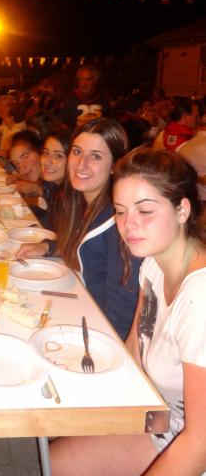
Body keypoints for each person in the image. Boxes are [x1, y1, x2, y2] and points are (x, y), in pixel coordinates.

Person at [49, 149, 206, 475]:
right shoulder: (152, 265)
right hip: (157, 422)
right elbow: (133, 351)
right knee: (44, 459)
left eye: (145, 210)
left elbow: (200, 443)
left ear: (182, 210)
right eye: (120, 212)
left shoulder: (199, 298)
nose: (128, 225)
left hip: (187, 445)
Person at [17, 118, 140, 339]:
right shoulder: (80, 202)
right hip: (76, 307)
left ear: (114, 165)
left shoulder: (119, 224)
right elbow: (84, 248)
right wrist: (49, 247)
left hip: (95, 332)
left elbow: (122, 317)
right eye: (77, 152)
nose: (81, 164)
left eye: (96, 156)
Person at [39, 127, 71, 230]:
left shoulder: (72, 198)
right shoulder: (54, 187)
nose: (47, 162)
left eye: (58, 156)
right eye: (46, 153)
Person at [59, 64, 109, 129]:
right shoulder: (70, 100)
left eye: (88, 79)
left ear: (95, 81)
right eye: (81, 79)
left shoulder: (103, 99)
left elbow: (109, 124)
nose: (84, 83)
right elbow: (63, 124)